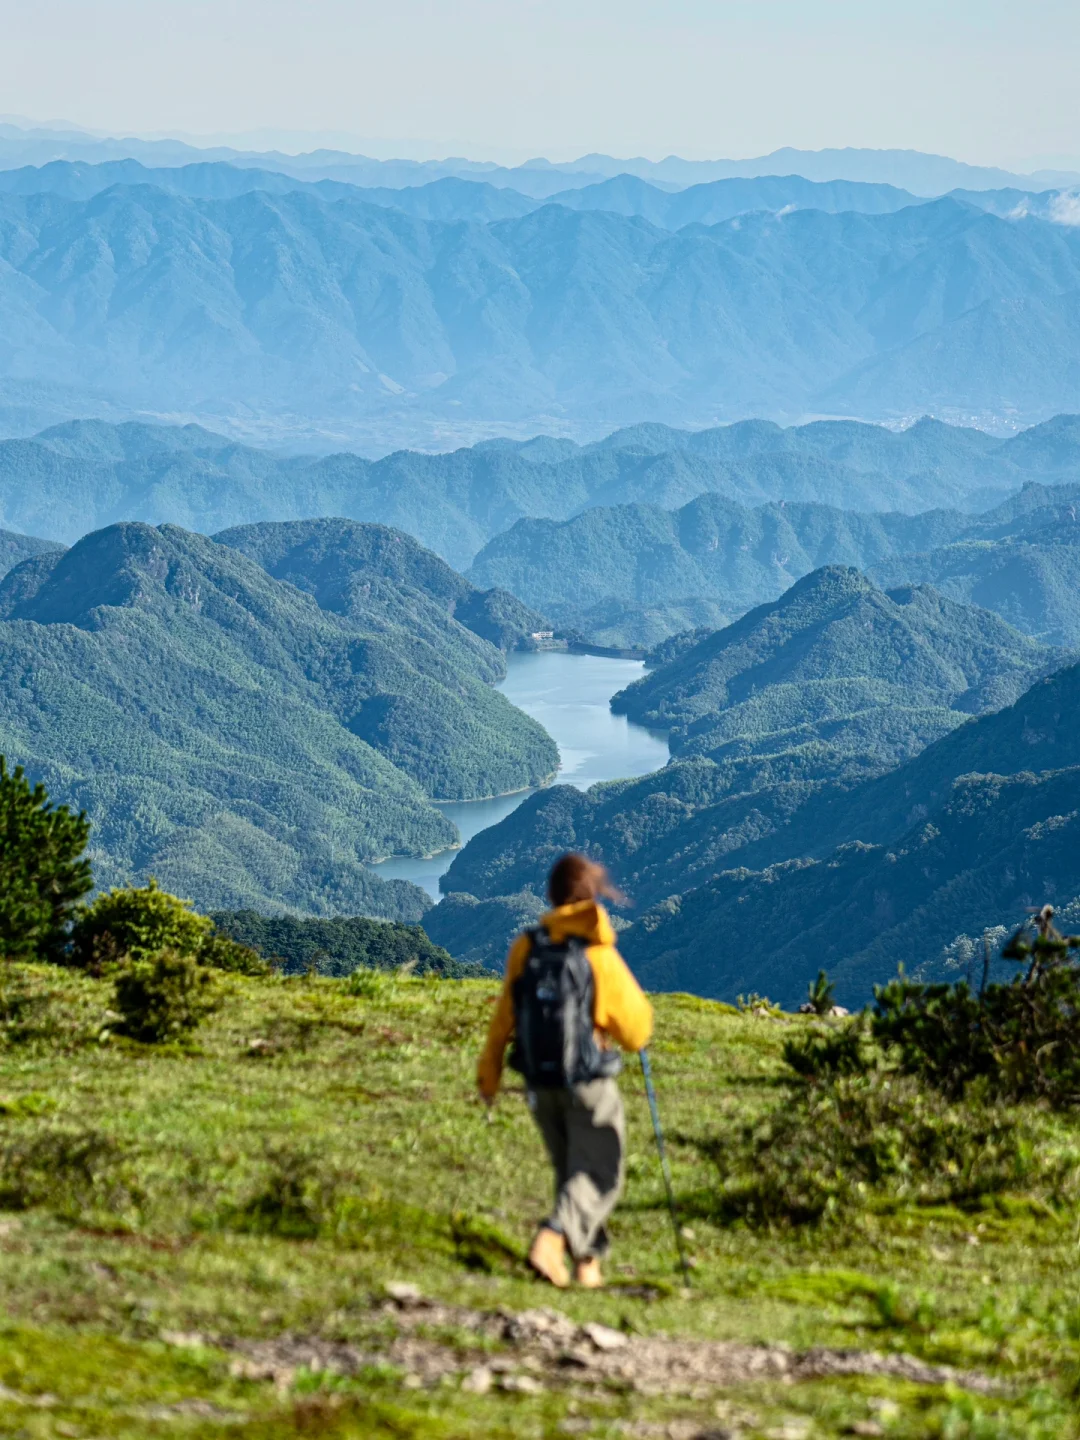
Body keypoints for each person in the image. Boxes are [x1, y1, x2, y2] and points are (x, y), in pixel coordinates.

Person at [477, 853, 653, 1289]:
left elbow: (503, 1019)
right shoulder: (597, 954)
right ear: (591, 895)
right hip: (587, 1083)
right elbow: (636, 1030)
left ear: (552, 897)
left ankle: (586, 1268)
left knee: (574, 1176)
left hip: (539, 1082)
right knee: (600, 1173)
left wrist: (489, 1077)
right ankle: (552, 1238)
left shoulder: (528, 946)